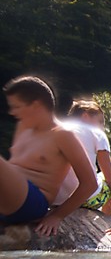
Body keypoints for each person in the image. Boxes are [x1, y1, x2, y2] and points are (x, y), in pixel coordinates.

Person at [1, 75, 98, 235]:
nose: (12, 112)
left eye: (17, 107)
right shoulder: (22, 127)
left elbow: (90, 183)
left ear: (36, 105)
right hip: (8, 200)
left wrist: (57, 216)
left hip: (32, 202)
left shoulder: (63, 135)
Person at [54, 99, 111, 215]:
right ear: (85, 116)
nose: (103, 127)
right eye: (101, 122)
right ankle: (107, 219)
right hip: (87, 199)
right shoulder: (97, 134)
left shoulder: (57, 130)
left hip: (56, 200)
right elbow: (110, 176)